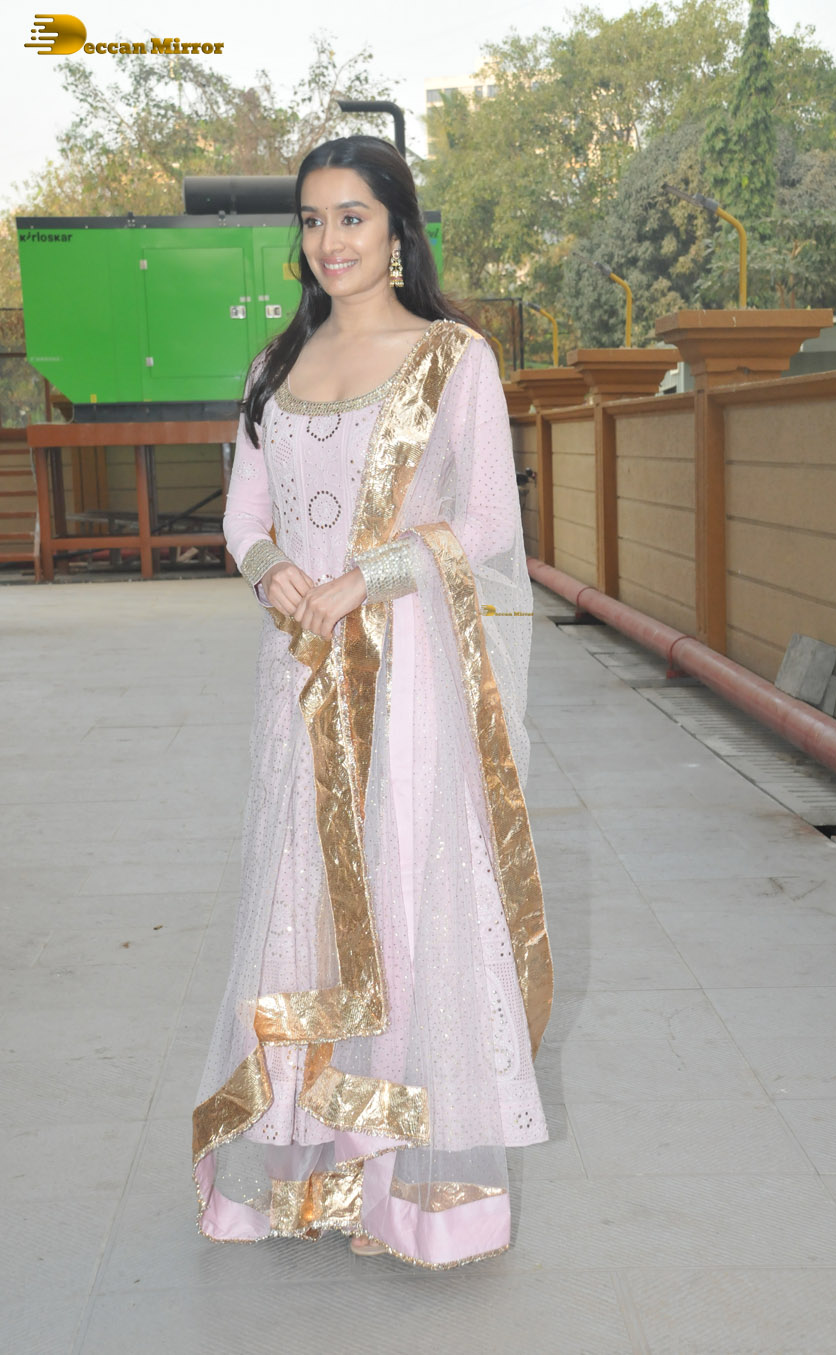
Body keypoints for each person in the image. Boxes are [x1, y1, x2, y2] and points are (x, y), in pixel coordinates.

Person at [192, 134, 553, 1269]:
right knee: (300, 900)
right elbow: (242, 514)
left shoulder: (453, 357)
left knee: (398, 897)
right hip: (299, 675)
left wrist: (363, 578)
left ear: (398, 227)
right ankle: (318, 1171)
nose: (329, 241)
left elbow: (484, 520)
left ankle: (401, 1188)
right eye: (312, 220)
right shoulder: (276, 364)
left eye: (351, 216)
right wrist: (272, 572)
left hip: (405, 682)